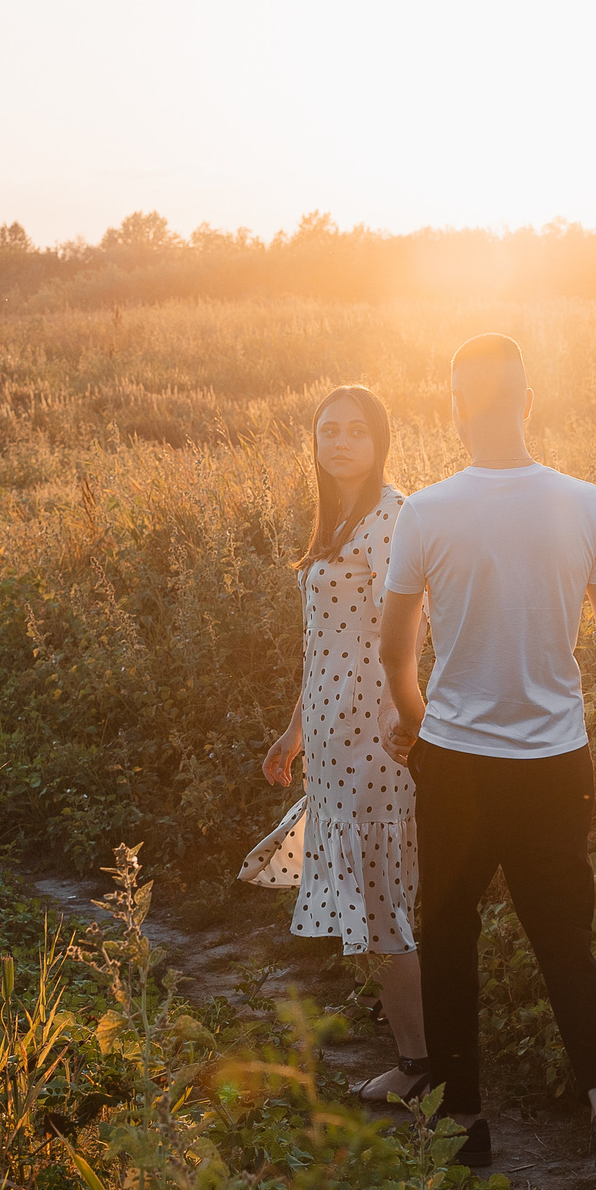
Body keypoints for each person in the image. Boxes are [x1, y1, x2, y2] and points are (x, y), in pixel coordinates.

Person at [379, 334, 596, 1182]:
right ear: (529, 399)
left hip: (456, 765)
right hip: (555, 762)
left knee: (449, 936)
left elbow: (395, 649)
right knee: (566, 941)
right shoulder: (583, 502)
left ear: (457, 404)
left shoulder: (425, 511)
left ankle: (464, 1120)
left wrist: (419, 722)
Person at [240, 384, 427, 1103]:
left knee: (383, 902)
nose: (342, 441)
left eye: (356, 430)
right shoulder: (339, 521)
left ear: (380, 441)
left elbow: (401, 638)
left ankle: (421, 1065)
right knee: (373, 901)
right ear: (315, 444)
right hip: (329, 734)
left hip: (376, 736)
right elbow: (324, 645)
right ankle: (417, 1053)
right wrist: (293, 730)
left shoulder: (393, 519)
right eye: (329, 430)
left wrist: (406, 719)